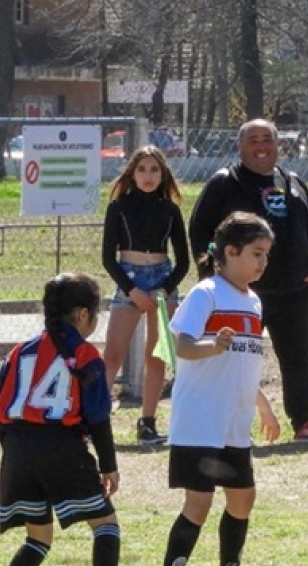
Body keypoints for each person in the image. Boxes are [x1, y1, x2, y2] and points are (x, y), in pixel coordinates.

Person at [151, 213, 283, 566]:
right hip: (201, 422)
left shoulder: (253, 301)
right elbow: (182, 347)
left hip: (233, 424)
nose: (263, 262)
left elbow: (243, 362)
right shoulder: (206, 293)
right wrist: (213, 345)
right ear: (230, 251)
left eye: (267, 254)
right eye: (256, 253)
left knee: (243, 498)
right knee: (199, 503)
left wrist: (263, 405)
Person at [0, 273, 132, 566]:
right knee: (106, 524)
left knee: (38, 537)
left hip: (18, 447)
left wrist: (17, 450)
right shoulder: (85, 356)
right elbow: (98, 417)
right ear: (82, 314)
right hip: (61, 446)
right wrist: (109, 465)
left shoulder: (20, 351)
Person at [188, 120, 308, 443]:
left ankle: (306, 423)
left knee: (297, 356)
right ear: (240, 146)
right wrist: (213, 274)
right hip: (242, 291)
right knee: (234, 357)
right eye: (253, 140)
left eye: (268, 139)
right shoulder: (225, 183)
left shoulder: (292, 182)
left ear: (278, 145)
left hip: (294, 290)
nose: (261, 146)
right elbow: (199, 230)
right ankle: (230, 425)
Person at [100, 146, 190, 446]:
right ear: (132, 174)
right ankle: (95, 422)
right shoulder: (118, 207)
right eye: (141, 170)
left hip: (162, 280)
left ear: (163, 174)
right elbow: (108, 259)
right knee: (112, 355)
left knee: (156, 356)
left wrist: (164, 289)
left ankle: (148, 422)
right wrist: (132, 290)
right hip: (130, 278)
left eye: (154, 170)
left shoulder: (171, 210)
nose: (148, 176)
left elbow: (183, 261)